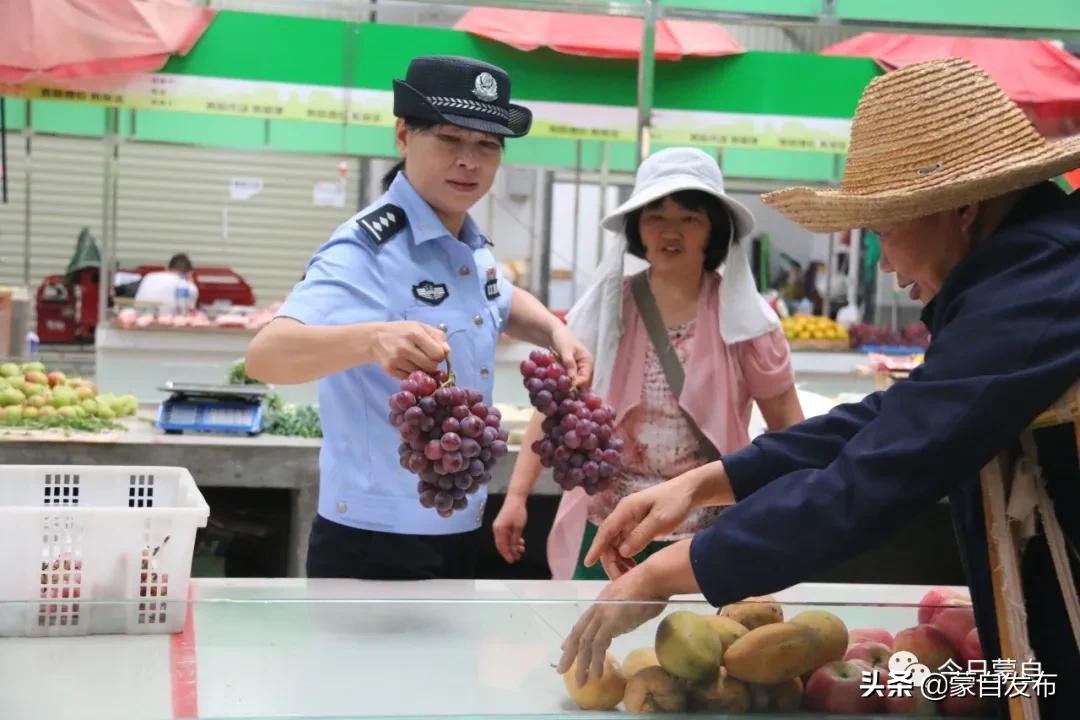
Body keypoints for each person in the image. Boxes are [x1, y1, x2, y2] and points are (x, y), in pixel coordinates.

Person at [556, 57, 1080, 718]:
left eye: (882, 231)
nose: (883, 264)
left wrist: (669, 571)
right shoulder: (1026, 270)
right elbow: (899, 414)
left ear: (963, 208)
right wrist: (710, 482)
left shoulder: (1040, 284)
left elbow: (883, 470)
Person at [245, 55, 592, 581]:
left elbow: (499, 298)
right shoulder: (365, 249)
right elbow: (266, 356)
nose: (469, 161)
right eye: (450, 139)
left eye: (487, 145)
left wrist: (554, 330)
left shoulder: (468, 243)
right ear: (404, 135)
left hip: (457, 519)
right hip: (373, 540)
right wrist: (373, 340)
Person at [492, 147, 804, 579]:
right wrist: (516, 497)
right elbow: (555, 408)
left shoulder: (746, 322)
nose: (670, 231)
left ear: (713, 230)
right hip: (607, 534)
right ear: (637, 227)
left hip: (704, 542)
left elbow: (789, 428)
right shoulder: (605, 311)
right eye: (655, 216)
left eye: (689, 218)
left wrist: (796, 514)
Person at [133, 253, 198, 311]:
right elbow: (189, 310)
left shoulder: (149, 276)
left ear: (167, 268)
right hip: (166, 318)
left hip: (138, 315)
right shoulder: (189, 286)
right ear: (190, 273)